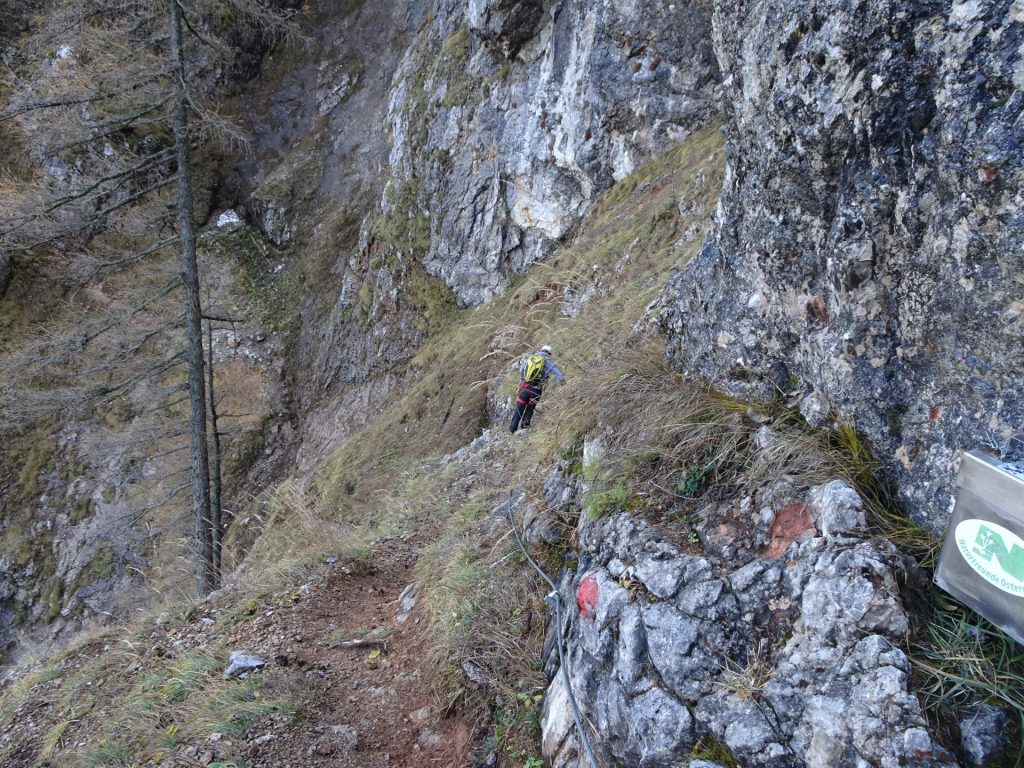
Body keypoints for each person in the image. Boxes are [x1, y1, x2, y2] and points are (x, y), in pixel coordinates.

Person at [509, 344, 565, 433]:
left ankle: (512, 430)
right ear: (549, 353)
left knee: (519, 408)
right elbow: (559, 375)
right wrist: (563, 383)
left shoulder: (531, 358)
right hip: (536, 390)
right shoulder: (548, 361)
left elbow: (521, 370)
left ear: (541, 350)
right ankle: (524, 427)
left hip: (524, 388)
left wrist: (524, 380)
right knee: (530, 407)